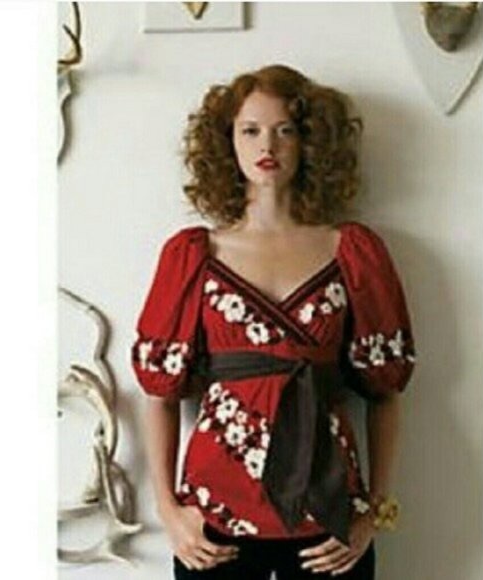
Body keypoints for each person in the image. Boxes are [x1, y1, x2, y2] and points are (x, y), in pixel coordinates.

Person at [131, 64, 416, 579]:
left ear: (310, 142)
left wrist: (373, 513)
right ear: (227, 141)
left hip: (329, 520)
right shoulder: (194, 256)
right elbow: (160, 395)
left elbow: (385, 393)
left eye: (285, 129)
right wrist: (169, 513)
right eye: (251, 130)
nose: (268, 144)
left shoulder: (353, 253)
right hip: (215, 521)